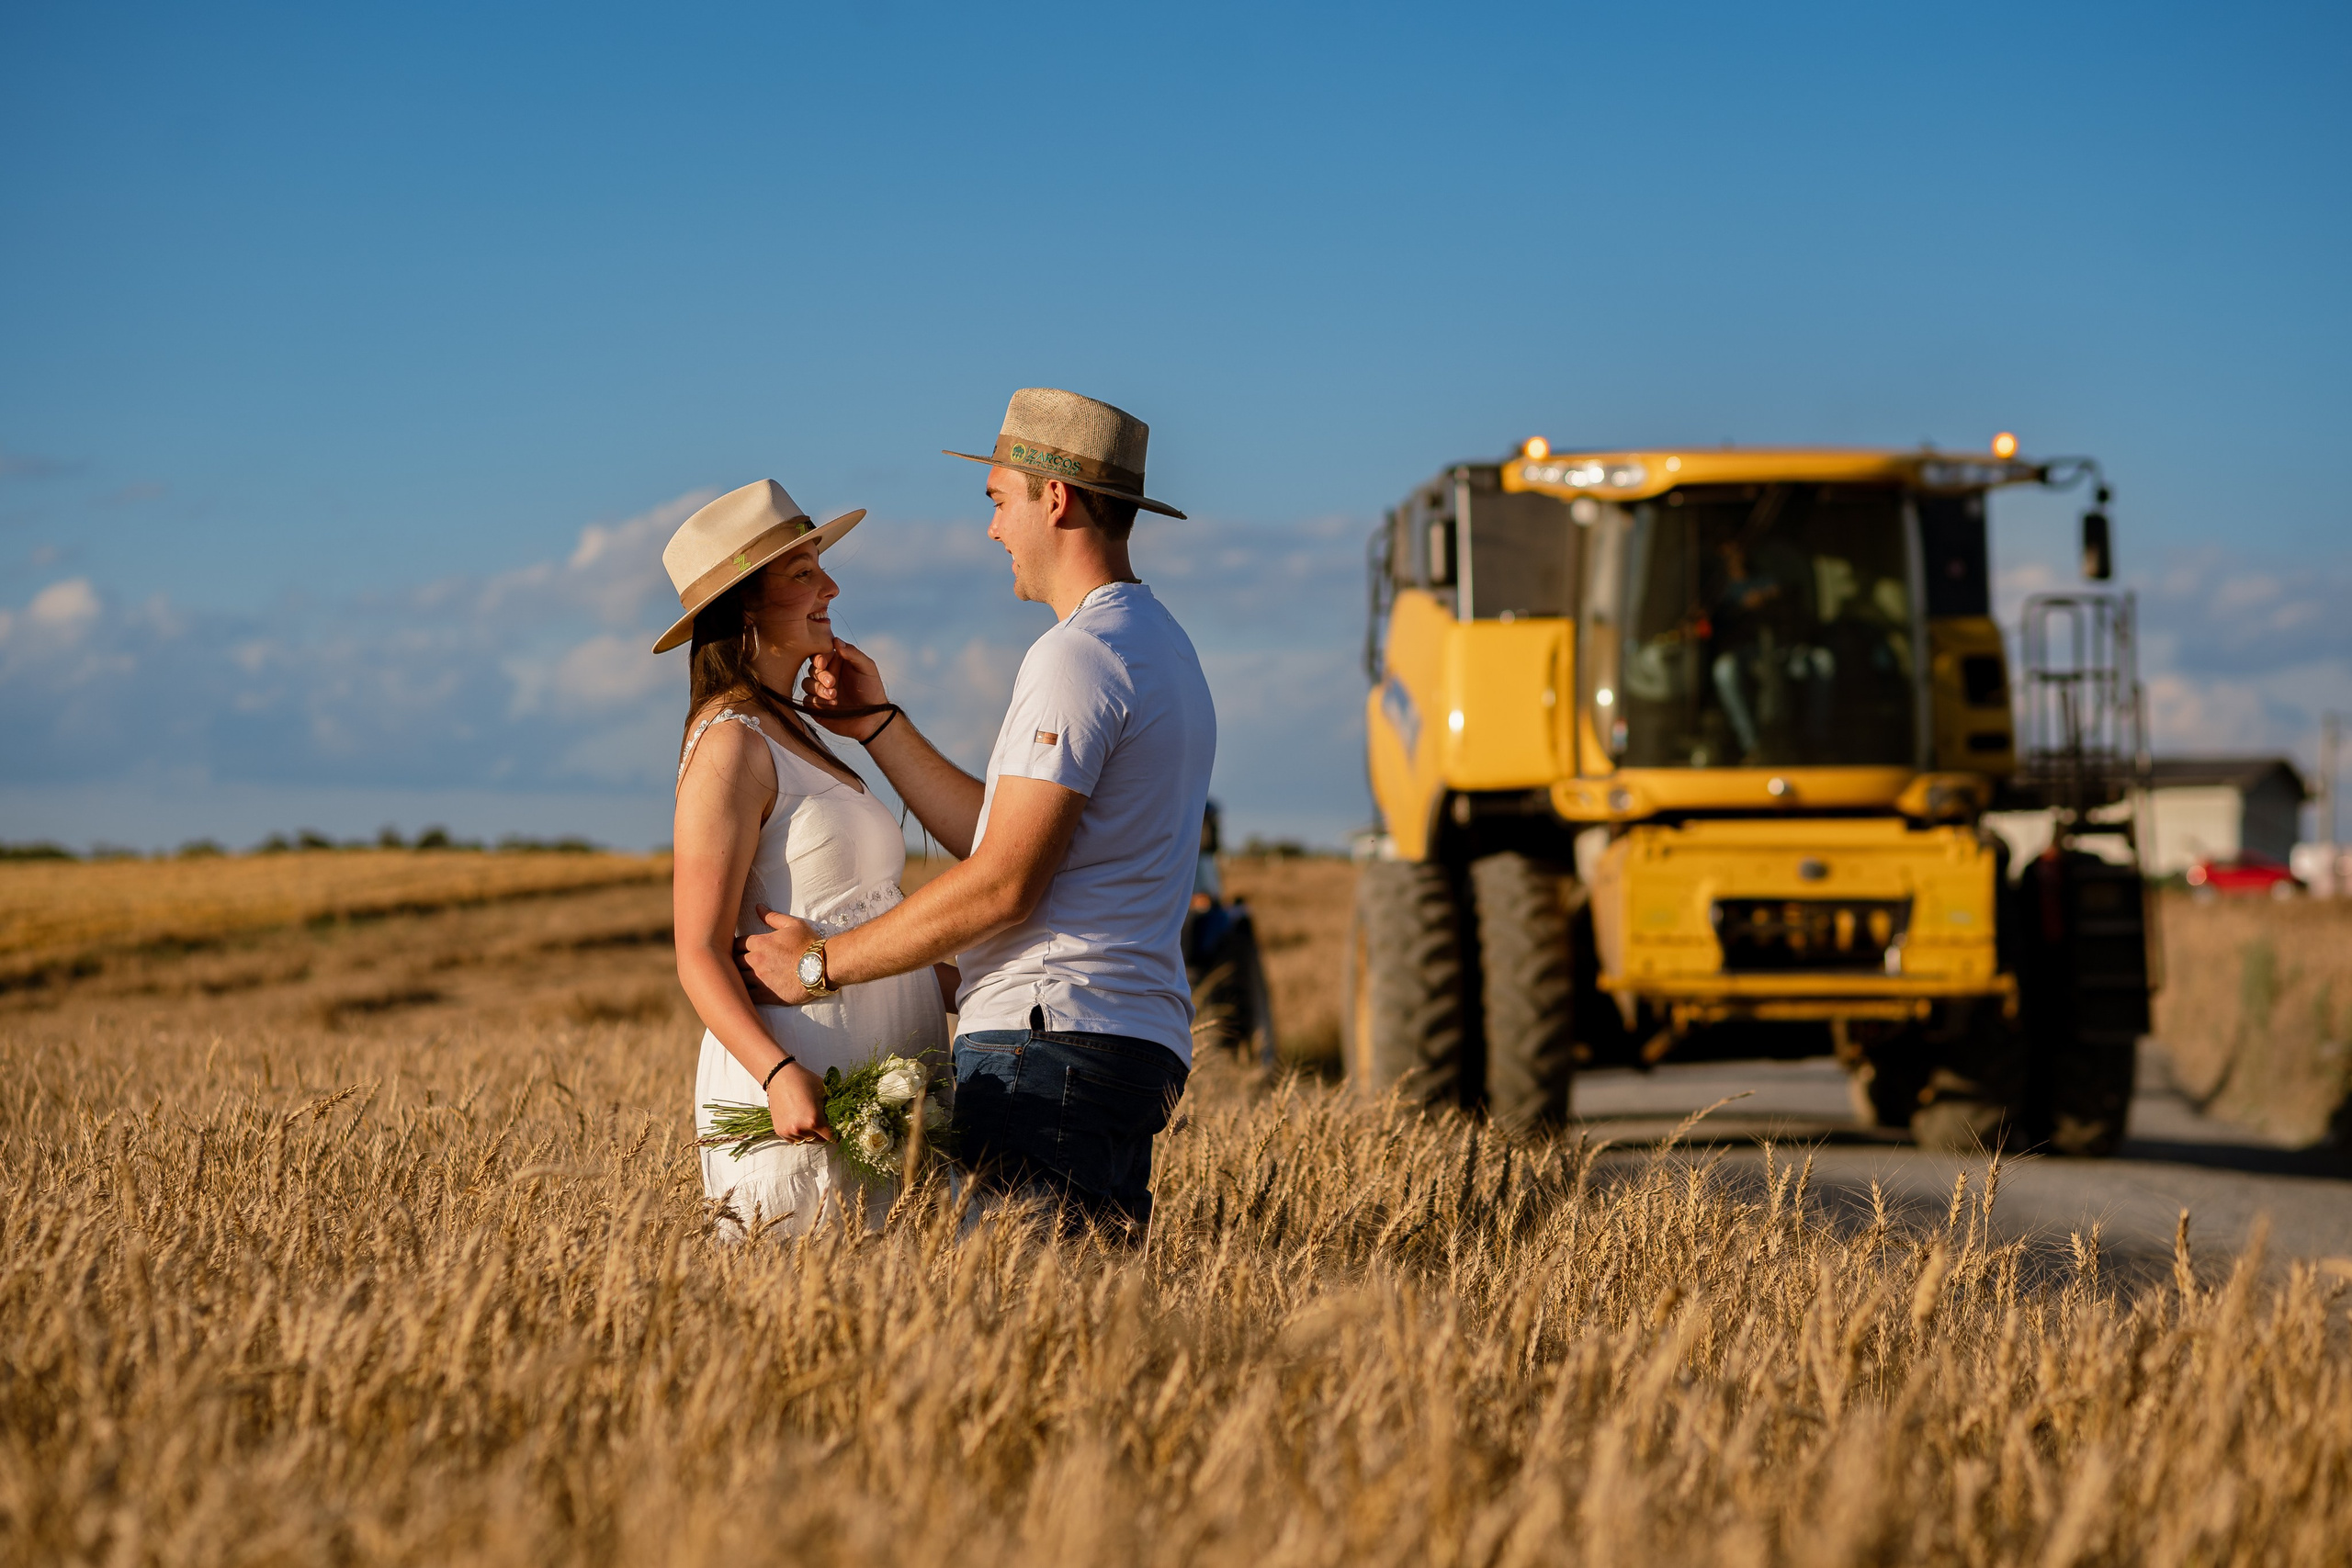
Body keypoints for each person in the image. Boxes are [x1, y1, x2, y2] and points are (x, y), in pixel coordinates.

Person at [739, 388, 1216, 1235]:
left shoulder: (1076, 657)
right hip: (1126, 1041)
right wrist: (881, 728)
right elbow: (1021, 838)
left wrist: (819, 966)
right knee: (1084, 1332)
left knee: (1014, 1328)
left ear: (1055, 498)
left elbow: (1003, 882)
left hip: (1049, 1043)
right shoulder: (1163, 647)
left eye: (999, 501)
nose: (993, 528)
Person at [656, 479, 954, 1239]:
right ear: (744, 605)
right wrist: (778, 1074)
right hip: (808, 1081)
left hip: (886, 1075)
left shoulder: (797, 730)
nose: (832, 586)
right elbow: (697, 950)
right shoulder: (730, 743)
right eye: (803, 573)